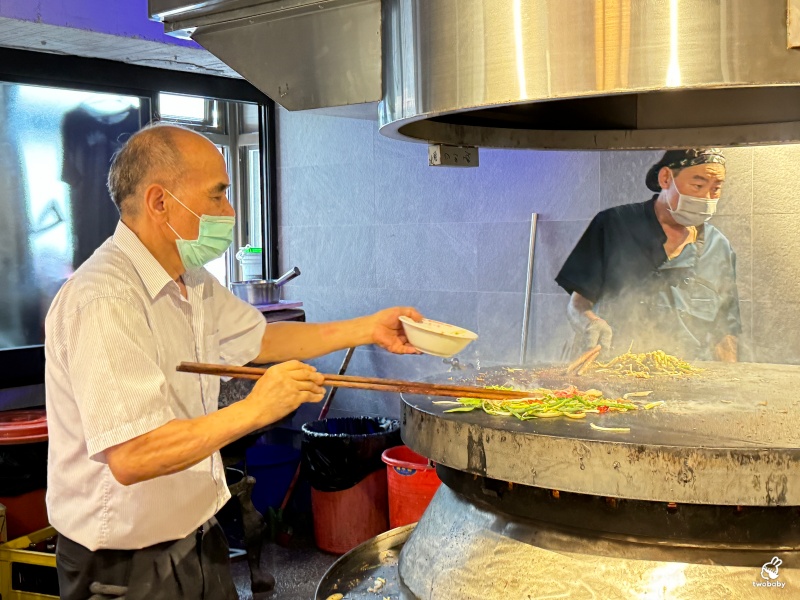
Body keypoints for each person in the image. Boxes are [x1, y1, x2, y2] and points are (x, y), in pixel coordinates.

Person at [44, 123, 423, 600]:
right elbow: (134, 454)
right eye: (218, 194)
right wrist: (257, 408)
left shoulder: (192, 280)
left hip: (198, 539)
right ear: (160, 202)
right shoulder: (103, 299)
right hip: (124, 566)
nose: (230, 210)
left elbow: (260, 338)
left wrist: (368, 328)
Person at [556, 148, 740, 362]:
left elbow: (725, 333)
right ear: (665, 178)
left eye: (716, 189)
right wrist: (589, 323)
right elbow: (577, 305)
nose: (707, 197)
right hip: (610, 373)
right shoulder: (614, 224)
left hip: (688, 378)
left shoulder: (719, 247)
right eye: (698, 186)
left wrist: (730, 382)